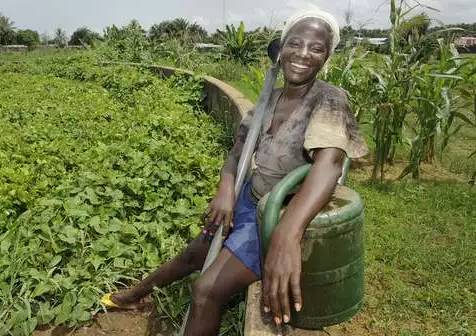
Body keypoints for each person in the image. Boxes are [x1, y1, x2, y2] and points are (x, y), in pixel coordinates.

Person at [101, 7, 368, 336]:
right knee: (195, 252)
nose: (302, 54)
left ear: (326, 57)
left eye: (316, 48)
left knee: (206, 291)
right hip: (248, 198)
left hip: (278, 214)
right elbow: (238, 152)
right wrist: (226, 190)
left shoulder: (328, 100)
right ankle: (136, 294)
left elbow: (329, 165)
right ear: (281, 48)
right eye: (295, 43)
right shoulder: (271, 98)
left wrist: (286, 234)